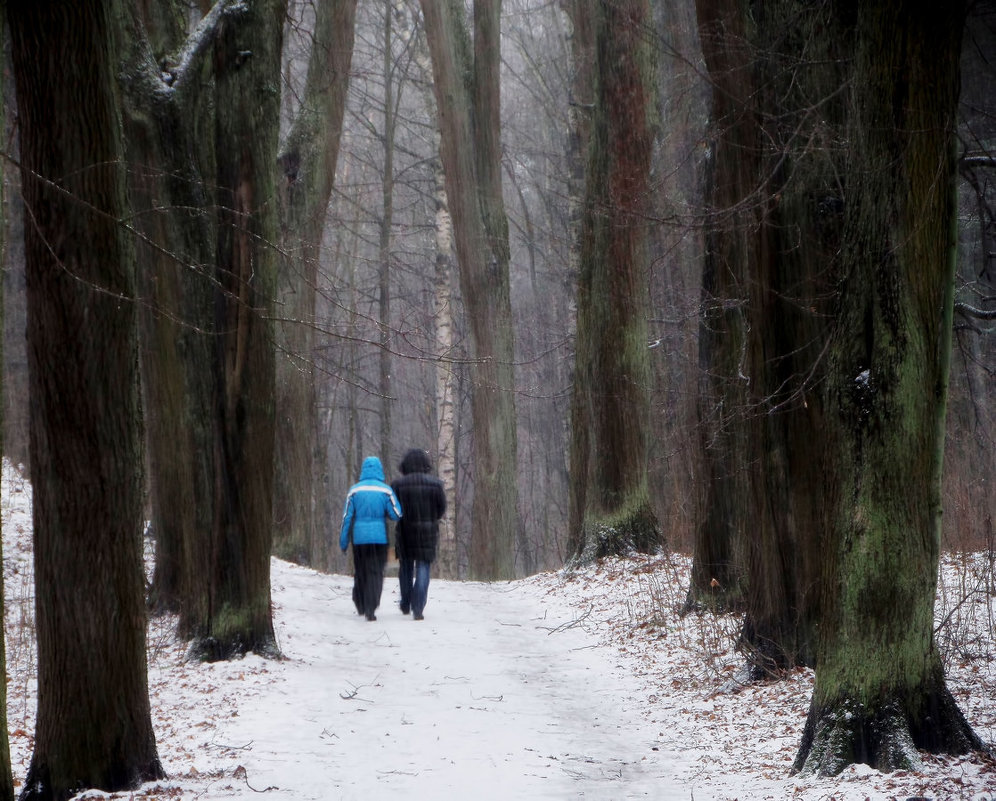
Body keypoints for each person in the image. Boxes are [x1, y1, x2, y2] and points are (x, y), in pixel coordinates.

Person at [339, 456, 402, 621]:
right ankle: (371, 607)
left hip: (359, 539)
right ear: (380, 470)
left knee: (361, 571)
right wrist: (384, 512)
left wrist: (344, 541)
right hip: (379, 539)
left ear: (363, 470)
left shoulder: (354, 491)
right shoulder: (386, 491)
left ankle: (359, 601)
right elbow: (397, 514)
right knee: (375, 572)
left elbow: (347, 517)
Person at [391, 449, 447, 621]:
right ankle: (418, 607)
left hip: (405, 531)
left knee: (406, 567)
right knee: (423, 567)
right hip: (428, 531)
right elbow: (441, 508)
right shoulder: (436, 484)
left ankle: (406, 601)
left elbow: (393, 508)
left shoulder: (397, 485)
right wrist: (431, 519)